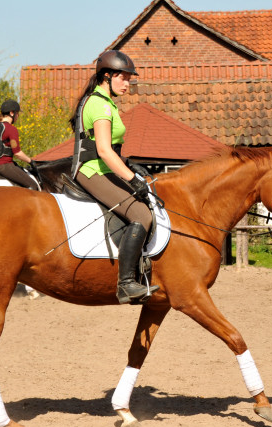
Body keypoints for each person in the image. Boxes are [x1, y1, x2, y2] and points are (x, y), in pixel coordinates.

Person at [69, 50, 159, 304]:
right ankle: (127, 283)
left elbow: (111, 150)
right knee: (141, 215)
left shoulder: (107, 103)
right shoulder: (98, 103)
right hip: (92, 172)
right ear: (107, 77)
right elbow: (104, 151)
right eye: (124, 78)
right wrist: (132, 179)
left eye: (130, 79)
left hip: (105, 168)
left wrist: (131, 166)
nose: (128, 84)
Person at [0, 99, 38, 190]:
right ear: (12, 113)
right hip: (3, 165)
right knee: (33, 186)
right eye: (17, 114)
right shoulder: (11, 129)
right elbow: (17, 153)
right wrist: (31, 161)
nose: (18, 116)